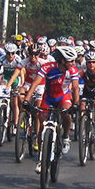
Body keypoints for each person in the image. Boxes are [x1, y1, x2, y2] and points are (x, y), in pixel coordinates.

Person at [21, 42, 80, 172]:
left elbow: (75, 88)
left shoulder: (73, 70)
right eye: (71, 61)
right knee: (41, 123)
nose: (73, 63)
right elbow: (35, 83)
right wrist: (26, 100)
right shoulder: (48, 67)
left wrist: (76, 104)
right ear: (63, 60)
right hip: (48, 97)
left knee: (66, 114)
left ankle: (65, 136)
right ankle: (41, 158)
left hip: (63, 97)